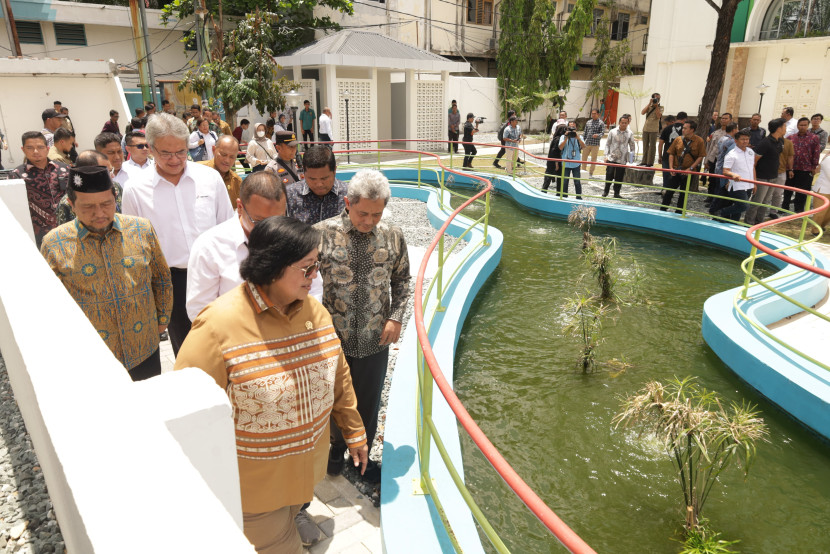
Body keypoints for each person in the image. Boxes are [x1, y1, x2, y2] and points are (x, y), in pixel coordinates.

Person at [175, 216, 368, 553]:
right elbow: (185, 411)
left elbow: (338, 375)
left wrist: (354, 431)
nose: (316, 276)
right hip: (255, 492)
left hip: (306, 476)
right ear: (272, 267)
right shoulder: (217, 326)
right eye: (307, 268)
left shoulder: (315, 313)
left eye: (317, 266)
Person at [316, 169, 410, 484]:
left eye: (376, 214)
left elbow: (402, 280)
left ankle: (363, 459)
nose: (369, 220)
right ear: (347, 203)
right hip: (332, 338)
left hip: (374, 336)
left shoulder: (393, 234)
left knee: (368, 400)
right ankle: (334, 449)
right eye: (362, 213)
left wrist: (396, 315)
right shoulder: (321, 234)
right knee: (332, 397)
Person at [40, 165, 172, 380]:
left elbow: (161, 277)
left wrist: (162, 320)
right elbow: (50, 303)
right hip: (92, 359)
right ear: (71, 205)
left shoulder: (141, 229)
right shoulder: (54, 243)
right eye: (88, 207)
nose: (100, 213)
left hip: (144, 347)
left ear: (115, 198)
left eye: (106, 203)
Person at [122, 112, 235, 355]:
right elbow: (134, 245)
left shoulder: (210, 178)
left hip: (216, 274)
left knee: (228, 344)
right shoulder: (134, 190)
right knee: (189, 351)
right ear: (151, 149)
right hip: (171, 282)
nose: (175, 159)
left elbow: (228, 226)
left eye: (181, 152)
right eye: (166, 153)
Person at [186, 171, 290, 321]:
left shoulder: (292, 237)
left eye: (278, 219)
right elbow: (200, 311)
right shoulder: (209, 247)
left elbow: (313, 289)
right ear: (240, 207)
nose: (271, 229)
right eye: (259, 221)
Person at [10, 131, 70, 246]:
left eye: (40, 147)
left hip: (67, 229)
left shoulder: (64, 169)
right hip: (37, 236)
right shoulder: (16, 175)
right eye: (30, 148)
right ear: (23, 150)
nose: (36, 151)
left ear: (47, 148)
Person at [56, 150, 121, 226]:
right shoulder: (67, 203)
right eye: (106, 172)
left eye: (106, 203)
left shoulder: (116, 187)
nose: (112, 175)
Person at [286, 145, 347, 225]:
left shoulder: (350, 195)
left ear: (334, 170)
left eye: (324, 178)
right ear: (304, 172)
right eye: (312, 179)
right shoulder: (289, 195)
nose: (319, 184)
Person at [747, 118, 788, 224]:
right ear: (779, 128)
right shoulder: (765, 142)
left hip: (774, 176)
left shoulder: (780, 141)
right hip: (762, 177)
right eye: (784, 126)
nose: (786, 128)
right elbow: (754, 161)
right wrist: (754, 180)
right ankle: (748, 223)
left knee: (765, 202)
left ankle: (759, 223)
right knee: (757, 202)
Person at [662, 121, 706, 212]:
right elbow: (671, 153)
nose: (683, 130)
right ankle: (663, 209)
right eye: (683, 128)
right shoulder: (678, 139)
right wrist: (671, 168)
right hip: (676, 169)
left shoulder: (699, 141)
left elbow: (701, 156)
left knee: (683, 193)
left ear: (692, 130)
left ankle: (679, 212)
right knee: (669, 191)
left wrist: (690, 169)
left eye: (685, 128)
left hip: (688, 172)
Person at [717, 131, 756, 222]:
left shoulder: (750, 152)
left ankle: (733, 223)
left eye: (747, 139)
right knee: (744, 206)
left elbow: (752, 167)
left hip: (749, 184)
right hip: (737, 185)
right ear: (736, 141)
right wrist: (733, 174)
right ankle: (721, 212)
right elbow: (725, 171)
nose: (745, 141)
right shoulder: (731, 154)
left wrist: (754, 183)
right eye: (742, 139)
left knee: (738, 207)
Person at [784, 117, 821, 213]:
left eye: (805, 125)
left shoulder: (814, 138)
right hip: (791, 168)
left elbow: (816, 153)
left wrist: (814, 167)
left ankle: (798, 211)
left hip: (806, 169)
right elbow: (786, 153)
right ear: (797, 126)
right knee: (787, 190)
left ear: (808, 126)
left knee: (802, 192)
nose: (803, 127)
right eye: (801, 125)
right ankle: (784, 209)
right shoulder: (790, 138)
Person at [198, 135, 242, 206]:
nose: (227, 160)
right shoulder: (197, 171)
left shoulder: (237, 183)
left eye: (232, 157)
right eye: (223, 154)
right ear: (213, 150)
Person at [707, 123, 738, 214]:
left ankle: (714, 208)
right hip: (724, 169)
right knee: (722, 191)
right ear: (734, 130)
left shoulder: (722, 138)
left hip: (719, 167)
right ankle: (715, 209)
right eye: (737, 129)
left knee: (718, 189)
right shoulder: (731, 141)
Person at [603, 115, 635, 198]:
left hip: (622, 159)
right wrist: (606, 156)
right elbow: (607, 144)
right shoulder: (612, 131)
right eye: (622, 122)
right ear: (619, 122)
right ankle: (605, 191)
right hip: (611, 157)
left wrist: (631, 160)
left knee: (619, 177)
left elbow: (632, 146)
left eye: (625, 123)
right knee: (609, 175)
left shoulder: (630, 133)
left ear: (628, 123)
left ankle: (616, 193)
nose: (624, 124)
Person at [558, 121, 585, 199]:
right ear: (567, 129)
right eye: (570, 128)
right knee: (565, 181)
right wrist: (566, 137)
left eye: (573, 128)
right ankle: (564, 197)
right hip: (566, 163)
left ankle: (579, 197)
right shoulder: (563, 137)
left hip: (575, 163)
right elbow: (560, 147)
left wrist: (578, 138)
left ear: (576, 128)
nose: (572, 130)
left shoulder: (579, 137)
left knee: (577, 181)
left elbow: (584, 146)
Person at [541, 125, 567, 192]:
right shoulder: (558, 139)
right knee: (551, 176)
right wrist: (556, 163)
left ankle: (557, 192)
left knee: (552, 176)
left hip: (553, 160)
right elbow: (554, 151)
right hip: (555, 161)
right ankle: (545, 191)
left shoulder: (556, 138)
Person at [639, 93, 663, 166]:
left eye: (658, 98)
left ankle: (650, 162)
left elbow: (658, 116)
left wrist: (656, 107)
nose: (657, 100)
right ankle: (644, 161)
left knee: (652, 146)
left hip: (654, 129)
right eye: (656, 98)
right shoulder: (649, 106)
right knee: (645, 145)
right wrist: (649, 103)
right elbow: (642, 112)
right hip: (646, 128)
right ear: (652, 98)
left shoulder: (661, 107)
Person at [582, 108, 605, 178]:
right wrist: (583, 141)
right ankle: (583, 172)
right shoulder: (588, 122)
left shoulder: (601, 123)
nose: (593, 115)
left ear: (598, 114)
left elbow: (602, 133)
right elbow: (585, 132)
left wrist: (597, 135)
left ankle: (590, 173)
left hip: (595, 144)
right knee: (584, 158)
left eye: (594, 114)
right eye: (592, 114)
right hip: (587, 143)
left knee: (593, 159)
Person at [810, 154, 830, 235]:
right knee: (820, 212)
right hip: (823, 189)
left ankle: (821, 226)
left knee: (828, 213)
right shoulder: (828, 159)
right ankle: (815, 230)